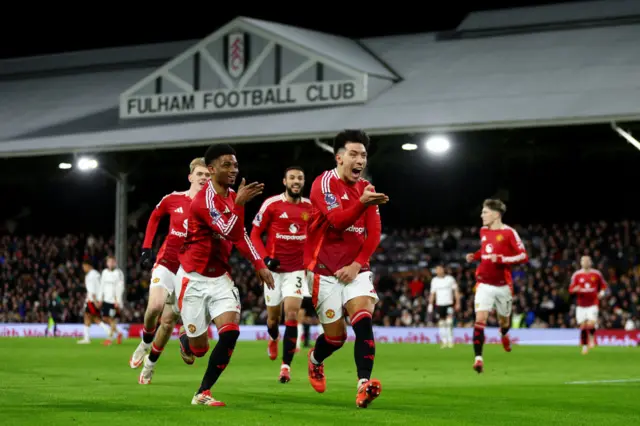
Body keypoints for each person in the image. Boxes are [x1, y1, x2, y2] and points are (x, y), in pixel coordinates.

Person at [177, 143, 274, 407]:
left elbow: (240, 236)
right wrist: (240, 205)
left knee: (230, 332)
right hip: (194, 280)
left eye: (235, 164)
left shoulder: (231, 196)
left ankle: (203, 392)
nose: (233, 170)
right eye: (226, 165)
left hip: (221, 278)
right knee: (200, 349)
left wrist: (259, 263)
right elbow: (230, 229)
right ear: (211, 169)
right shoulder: (202, 201)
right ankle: (187, 339)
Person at [304, 129, 388, 409]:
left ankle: (363, 384)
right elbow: (338, 220)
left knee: (363, 319)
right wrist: (361, 204)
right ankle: (315, 360)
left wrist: (355, 264)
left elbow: (374, 234)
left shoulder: (367, 189)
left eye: (363, 155)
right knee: (336, 338)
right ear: (339, 158)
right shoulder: (323, 184)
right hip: (323, 270)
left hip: (357, 270)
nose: (359, 159)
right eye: (353, 154)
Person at [129, 157, 211, 384]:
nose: (203, 178)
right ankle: (144, 342)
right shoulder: (173, 199)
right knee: (154, 306)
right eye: (200, 174)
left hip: (189, 269)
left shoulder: (212, 207)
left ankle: (150, 364)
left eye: (207, 175)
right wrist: (146, 248)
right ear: (191, 177)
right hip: (167, 262)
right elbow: (155, 217)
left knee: (167, 323)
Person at [250, 166, 312, 383]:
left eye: (300, 178)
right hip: (273, 272)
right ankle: (273, 337)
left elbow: (316, 236)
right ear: (284, 181)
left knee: (292, 314)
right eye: (292, 178)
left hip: (296, 270)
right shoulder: (272, 204)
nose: (296, 181)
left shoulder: (310, 207)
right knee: (274, 319)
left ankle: (285, 367)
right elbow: (254, 234)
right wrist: (265, 259)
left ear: (303, 182)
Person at [465, 199, 528, 374]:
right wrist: (475, 256)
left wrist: (502, 259)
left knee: (504, 321)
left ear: (496, 214)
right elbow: (486, 250)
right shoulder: (483, 231)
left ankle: (504, 334)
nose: (481, 215)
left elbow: (523, 256)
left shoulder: (509, 233)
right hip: (484, 283)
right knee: (480, 320)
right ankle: (478, 359)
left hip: (503, 286)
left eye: (485, 212)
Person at [569, 255, 608, 355]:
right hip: (581, 305)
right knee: (582, 326)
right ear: (581, 263)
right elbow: (570, 289)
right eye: (583, 261)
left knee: (590, 324)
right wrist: (575, 290)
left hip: (593, 303)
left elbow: (604, 286)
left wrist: (601, 294)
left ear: (591, 262)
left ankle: (591, 338)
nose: (585, 262)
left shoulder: (596, 274)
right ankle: (585, 346)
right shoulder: (576, 275)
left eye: (587, 261)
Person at [77, 260, 112, 344]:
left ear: (88, 265)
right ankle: (87, 337)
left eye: (84, 267)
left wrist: (96, 301)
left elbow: (92, 289)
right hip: (93, 299)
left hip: (92, 300)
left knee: (91, 317)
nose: (83, 269)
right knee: (90, 317)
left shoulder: (90, 275)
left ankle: (108, 331)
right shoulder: (96, 274)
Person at [428, 265, 460, 348]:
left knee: (449, 322)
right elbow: (432, 293)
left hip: (449, 303)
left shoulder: (450, 279)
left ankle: (450, 341)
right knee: (441, 323)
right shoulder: (434, 280)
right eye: (437, 269)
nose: (438, 271)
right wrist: (430, 304)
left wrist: (458, 302)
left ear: (443, 270)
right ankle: (444, 341)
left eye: (440, 269)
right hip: (439, 304)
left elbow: (456, 291)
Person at [98, 256, 126, 345]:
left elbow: (120, 288)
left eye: (112, 262)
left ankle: (109, 338)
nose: (110, 263)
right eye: (109, 262)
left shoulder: (119, 273)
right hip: (106, 299)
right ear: (107, 263)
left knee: (112, 319)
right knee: (105, 318)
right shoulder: (104, 272)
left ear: (115, 263)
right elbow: (101, 286)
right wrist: (100, 298)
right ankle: (119, 333)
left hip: (114, 301)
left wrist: (118, 301)